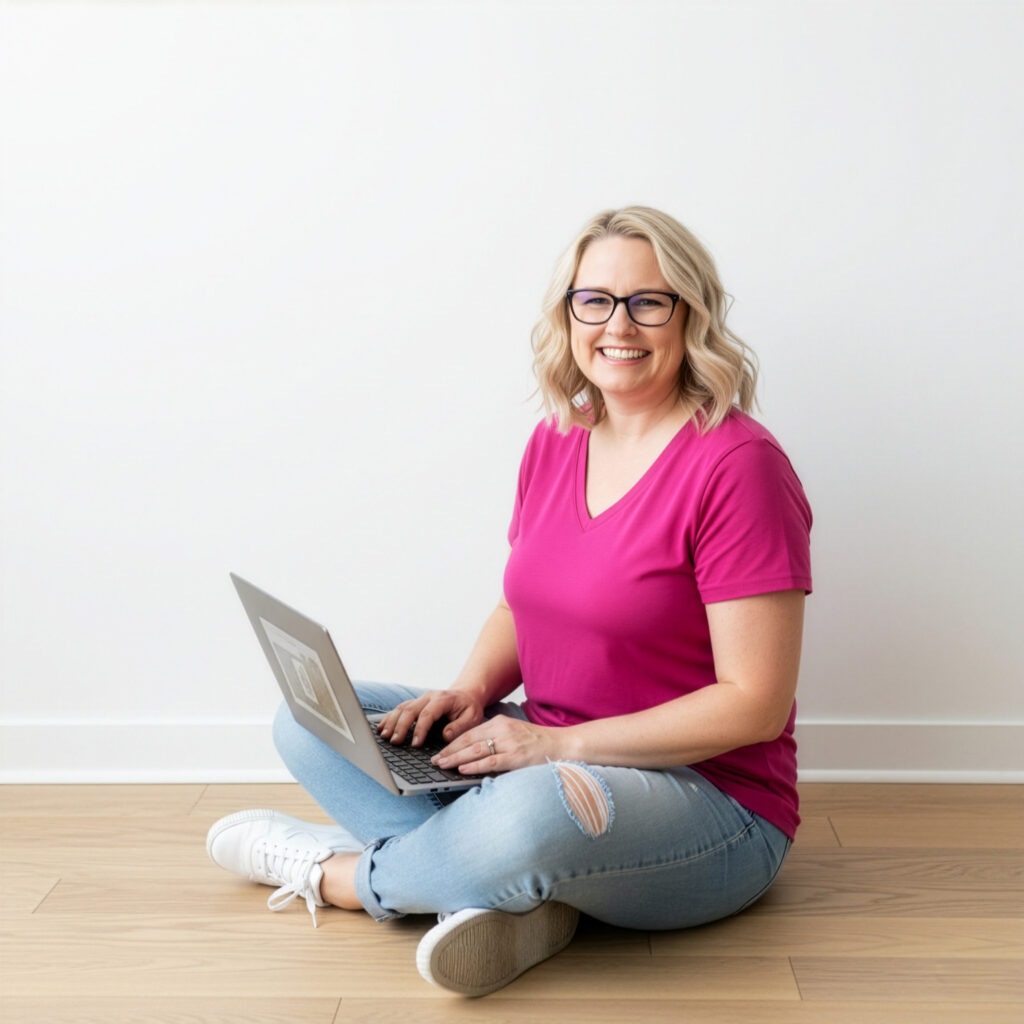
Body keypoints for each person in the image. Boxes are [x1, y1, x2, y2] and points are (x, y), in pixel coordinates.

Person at [206, 206, 812, 997]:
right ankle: (521, 896)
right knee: (314, 717)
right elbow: (522, 605)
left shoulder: (738, 467)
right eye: (593, 300)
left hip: (708, 801)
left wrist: (558, 750)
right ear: (568, 315)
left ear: (690, 315)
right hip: (537, 749)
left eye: (648, 301)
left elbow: (754, 707)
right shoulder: (558, 438)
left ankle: (347, 876)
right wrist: (468, 694)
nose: (617, 323)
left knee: (531, 820)